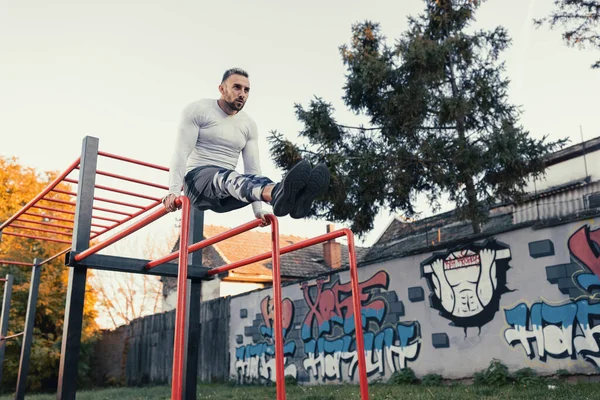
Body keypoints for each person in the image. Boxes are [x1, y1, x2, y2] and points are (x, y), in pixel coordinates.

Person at [163, 68, 329, 223]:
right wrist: (174, 191)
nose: (242, 94)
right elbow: (181, 153)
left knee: (253, 180)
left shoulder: (248, 124)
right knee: (228, 178)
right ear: (221, 89)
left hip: (227, 193)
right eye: (236, 87)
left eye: (246, 90)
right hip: (198, 183)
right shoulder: (198, 110)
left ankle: (295, 199)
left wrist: (258, 211)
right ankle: (278, 193)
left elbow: (253, 169)